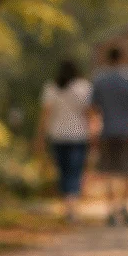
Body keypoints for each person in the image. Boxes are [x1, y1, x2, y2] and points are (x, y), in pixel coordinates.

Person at [90, 46, 128, 226]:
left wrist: (93, 131)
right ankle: (125, 206)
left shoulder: (99, 79)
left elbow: (93, 108)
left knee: (108, 171)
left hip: (106, 130)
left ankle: (111, 210)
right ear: (124, 57)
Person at [36, 59, 92, 222]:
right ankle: (72, 208)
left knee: (63, 171)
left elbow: (45, 115)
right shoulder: (84, 87)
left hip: (57, 136)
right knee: (75, 171)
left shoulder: (51, 88)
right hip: (78, 136)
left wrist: (40, 137)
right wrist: (94, 134)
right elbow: (89, 113)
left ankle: (68, 208)